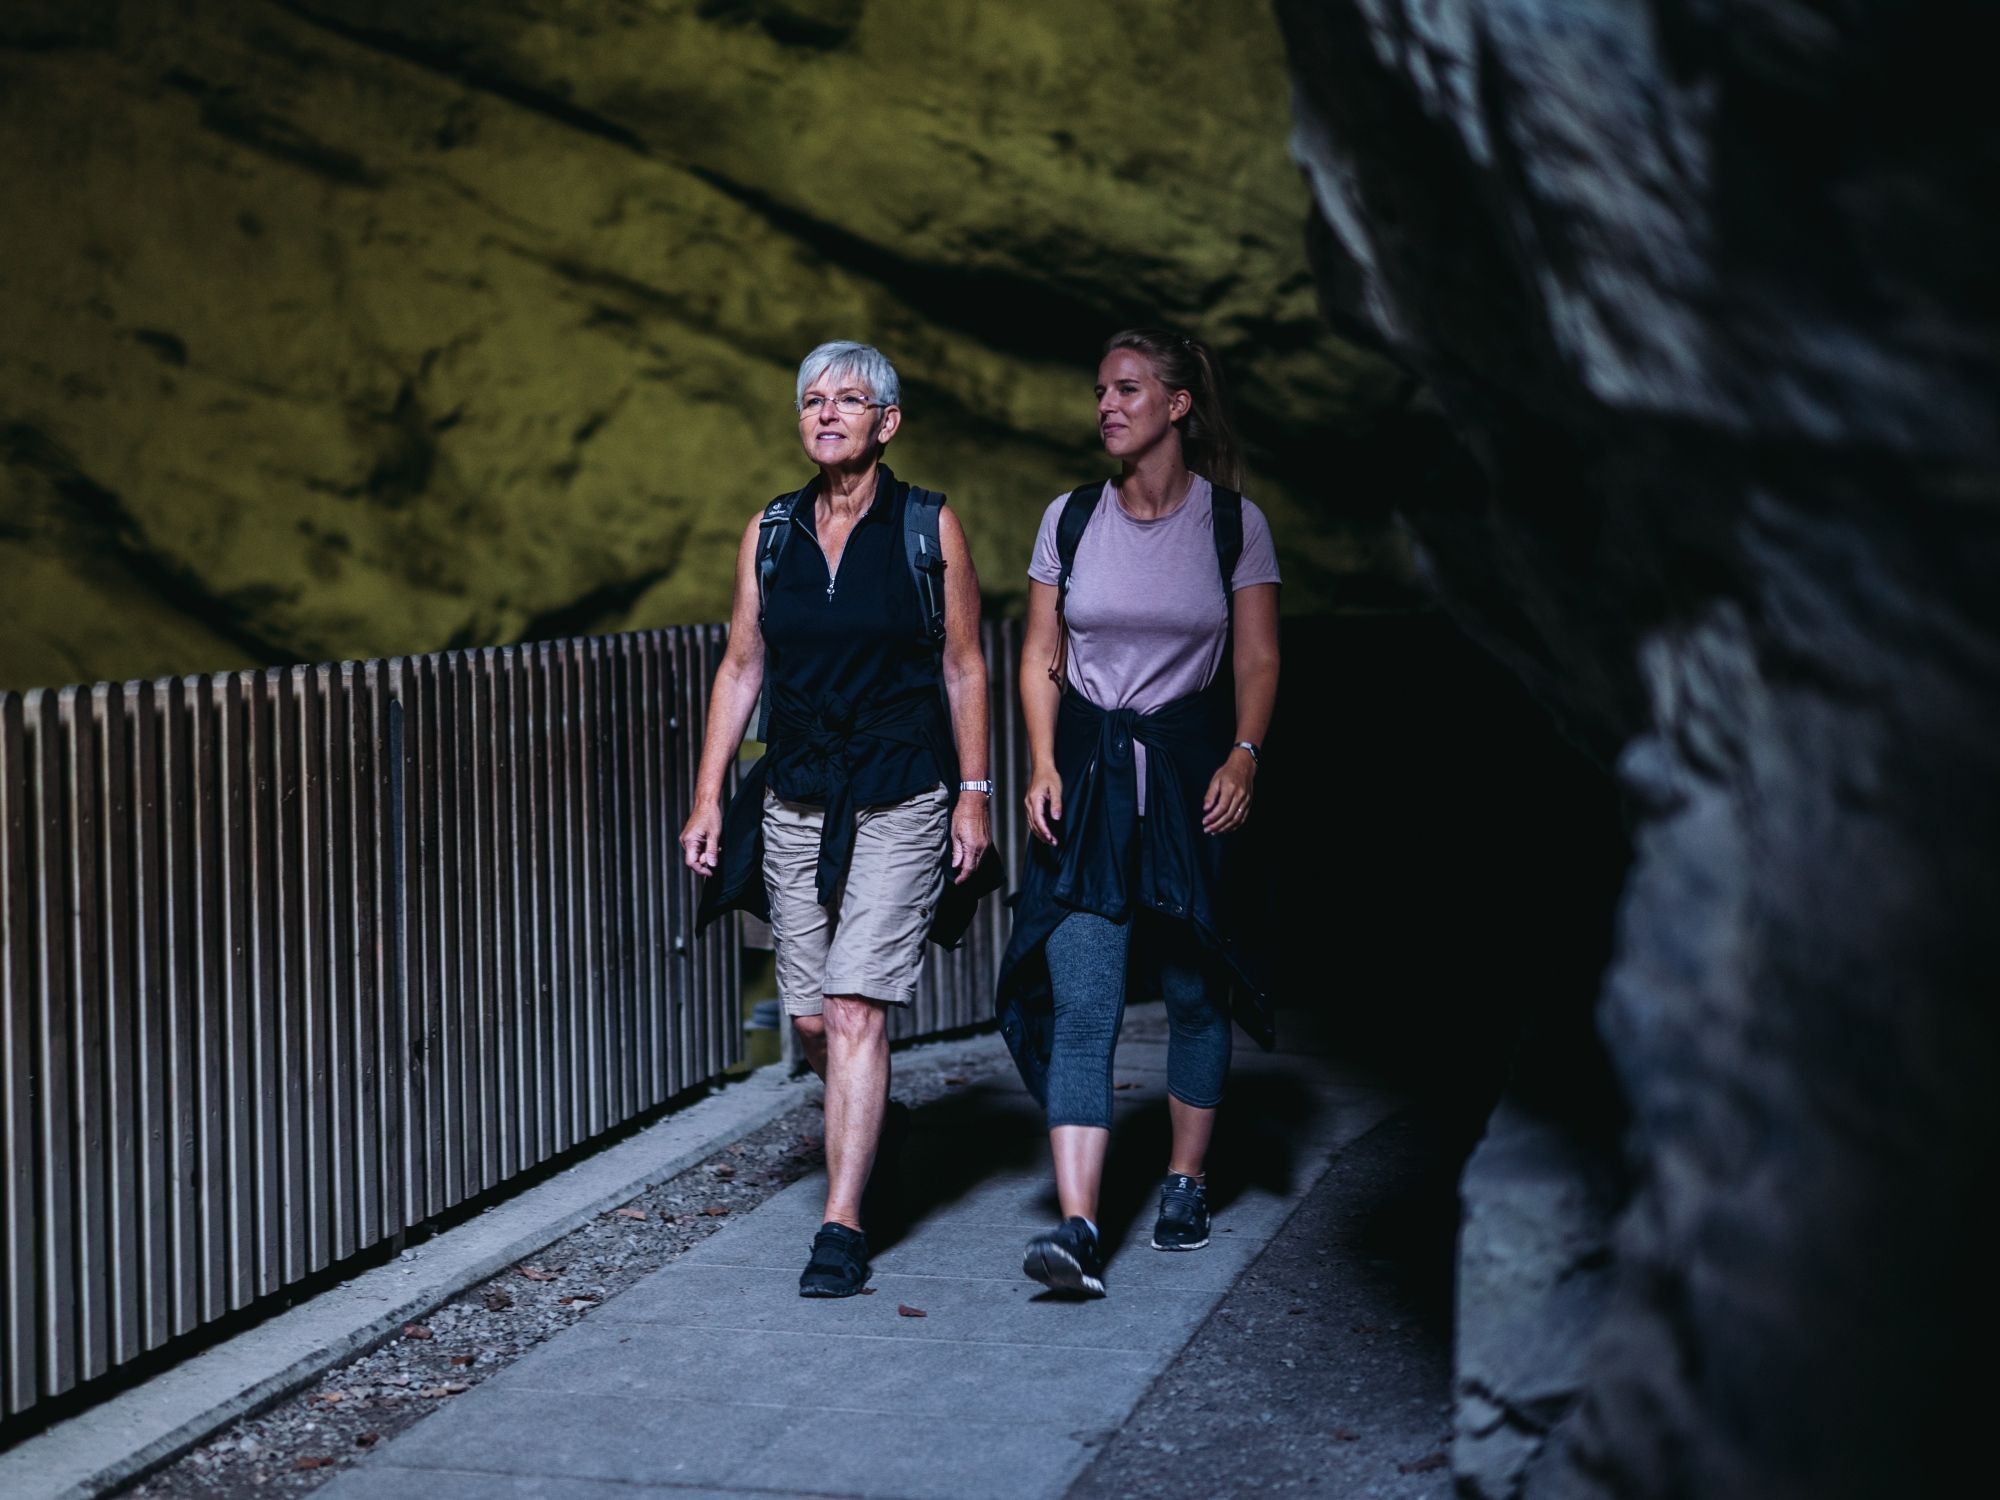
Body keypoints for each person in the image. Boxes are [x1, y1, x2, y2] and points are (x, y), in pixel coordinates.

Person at [681, 340, 995, 1298]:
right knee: (814, 1022)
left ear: (885, 423)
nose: (825, 414)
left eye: (847, 400)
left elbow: (964, 666)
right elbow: (743, 668)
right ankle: (871, 1117)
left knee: (858, 1008)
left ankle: (842, 1225)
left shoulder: (926, 527)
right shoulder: (770, 531)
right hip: (796, 793)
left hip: (900, 786)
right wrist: (705, 794)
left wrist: (974, 792)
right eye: (811, 400)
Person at [995, 328, 1281, 1297]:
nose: (1105, 406)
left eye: (1125, 389)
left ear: (1175, 404)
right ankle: (1077, 1224)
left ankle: (1185, 1182)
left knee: (1196, 993)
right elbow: (1038, 653)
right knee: (1083, 1001)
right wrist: (1038, 761)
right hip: (1086, 780)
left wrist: (1244, 752)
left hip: (1190, 770)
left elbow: (1255, 656)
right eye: (1098, 391)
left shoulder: (1232, 524)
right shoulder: (1070, 519)